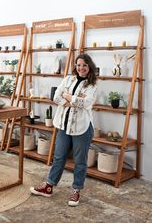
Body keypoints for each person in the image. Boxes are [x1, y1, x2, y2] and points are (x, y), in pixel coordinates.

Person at [30, 53, 97, 206]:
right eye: (78, 65)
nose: (81, 68)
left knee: (80, 161)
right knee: (59, 157)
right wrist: (69, 101)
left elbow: (86, 103)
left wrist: (68, 97)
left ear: (89, 67)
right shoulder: (68, 79)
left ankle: (76, 191)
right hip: (63, 125)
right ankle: (49, 186)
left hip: (82, 128)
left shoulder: (92, 85)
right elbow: (55, 96)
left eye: (84, 65)